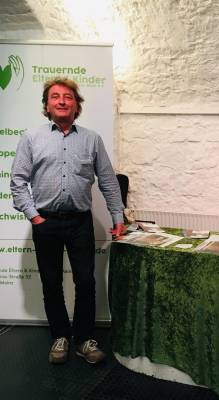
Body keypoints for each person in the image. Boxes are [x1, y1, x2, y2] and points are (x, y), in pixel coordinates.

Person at [10, 78, 126, 365]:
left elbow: (108, 181)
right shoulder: (31, 138)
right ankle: (60, 336)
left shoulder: (92, 139)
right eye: (55, 97)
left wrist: (117, 216)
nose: (62, 101)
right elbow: (18, 181)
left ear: (77, 105)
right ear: (47, 106)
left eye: (68, 97)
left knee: (85, 281)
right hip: (45, 223)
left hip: (79, 223)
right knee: (51, 283)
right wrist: (35, 216)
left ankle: (84, 339)